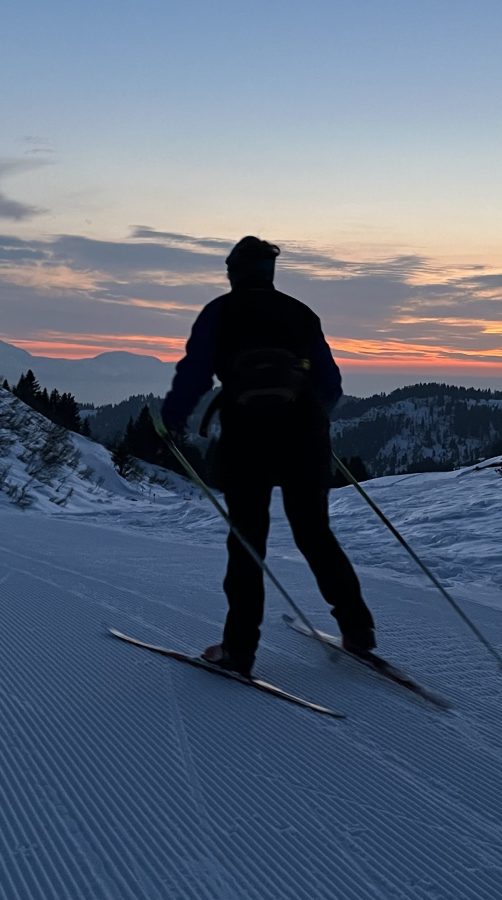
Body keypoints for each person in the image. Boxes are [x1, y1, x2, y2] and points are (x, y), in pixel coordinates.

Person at [160, 236, 375, 677]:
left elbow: (194, 374)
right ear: (270, 273)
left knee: (247, 544)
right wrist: (312, 417)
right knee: (315, 534)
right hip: (305, 436)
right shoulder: (300, 313)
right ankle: (357, 629)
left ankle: (240, 650)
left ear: (233, 272)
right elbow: (330, 384)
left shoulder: (219, 312)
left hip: (246, 439)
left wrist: (172, 420)